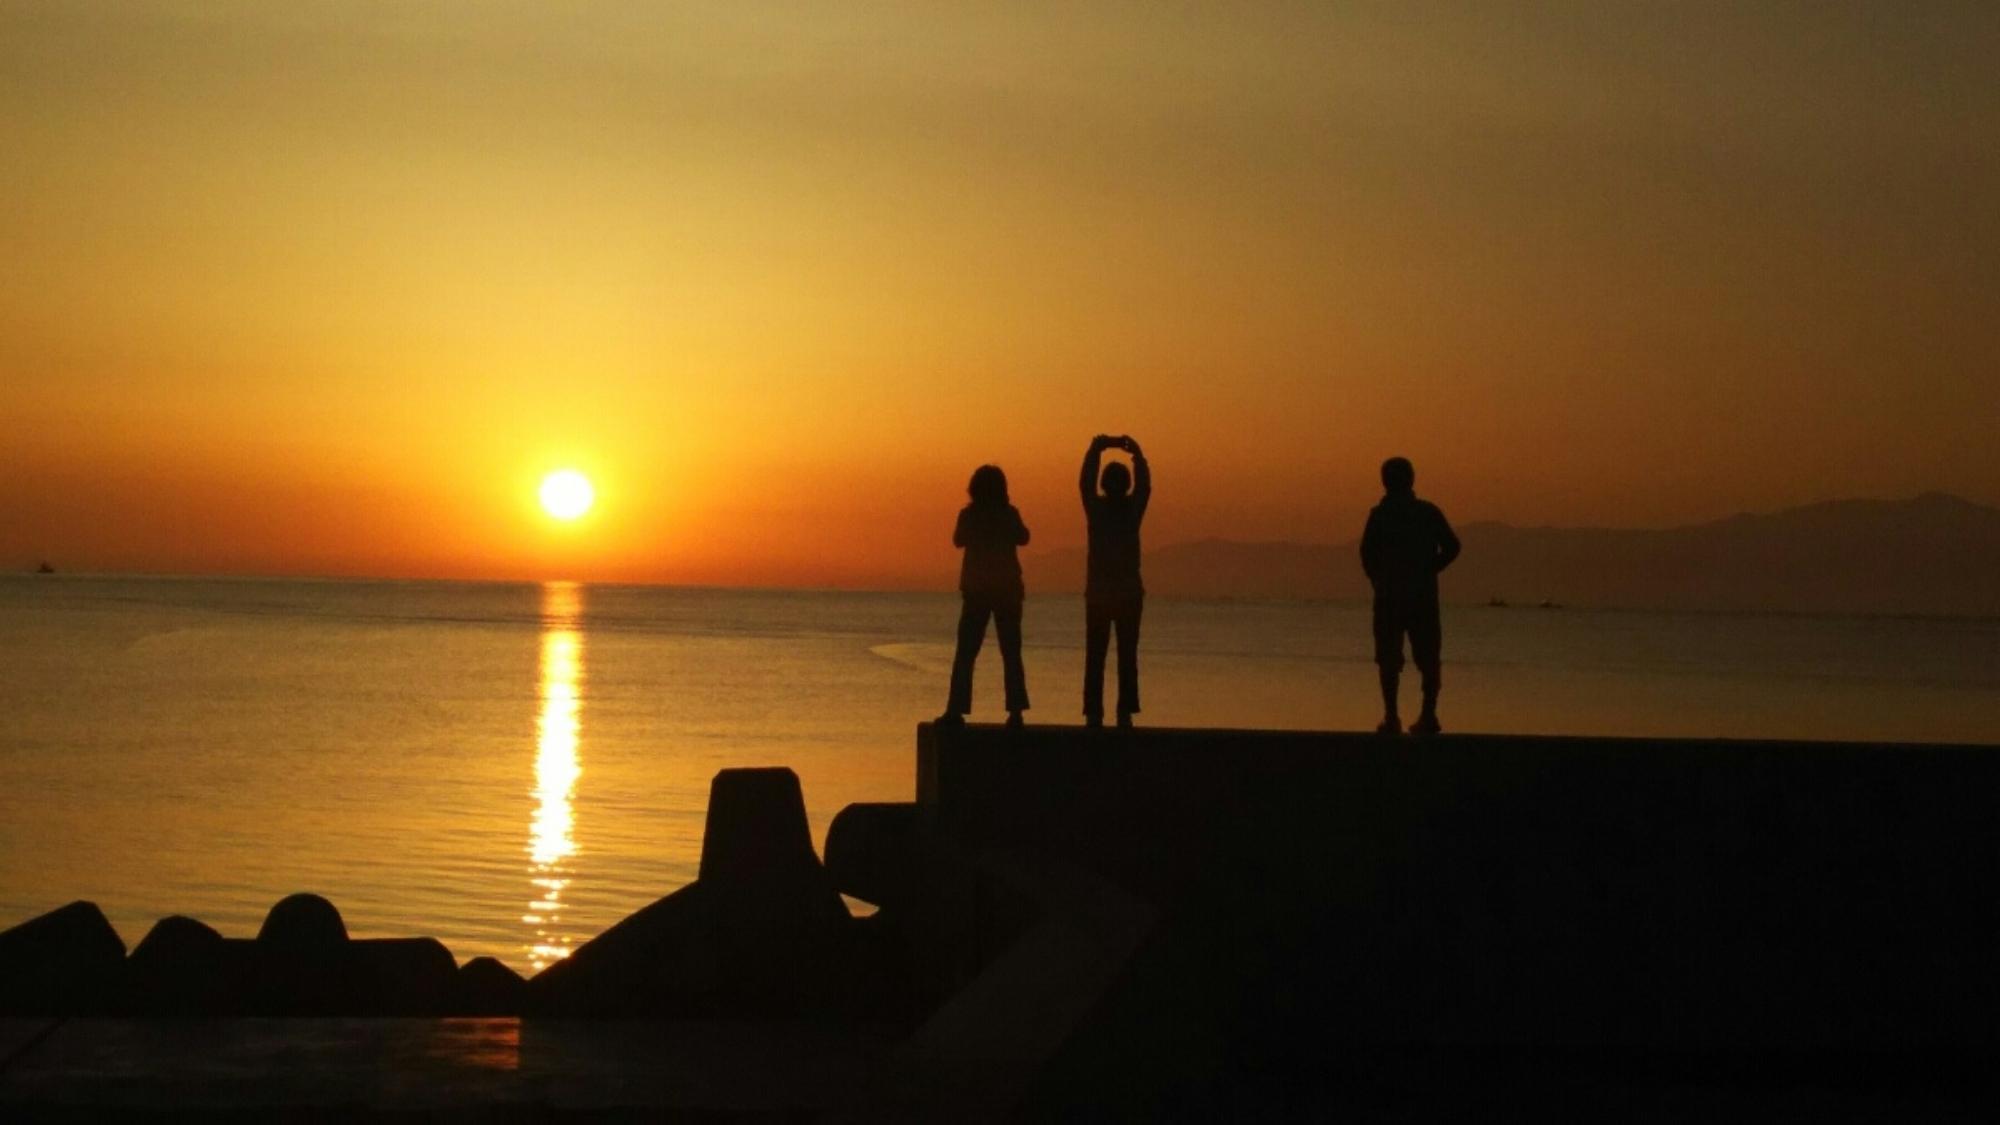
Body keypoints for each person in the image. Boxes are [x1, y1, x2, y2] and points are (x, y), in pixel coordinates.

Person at [1360, 457, 1460, 735]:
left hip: (1391, 596)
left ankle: (1393, 717)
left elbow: (1366, 554)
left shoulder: (1380, 516)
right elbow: (1452, 546)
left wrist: (1378, 579)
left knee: (1390, 658)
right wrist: (1429, 570)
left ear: (1385, 481)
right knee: (1427, 657)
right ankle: (1427, 715)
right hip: (1419, 596)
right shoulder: (1426, 513)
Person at [939, 465, 1032, 727]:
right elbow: (1023, 537)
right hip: (1007, 591)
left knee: (966, 653)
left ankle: (955, 710)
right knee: (1011, 653)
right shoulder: (1008, 514)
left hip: (978, 591)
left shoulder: (968, 515)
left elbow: (958, 540)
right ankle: (1015, 712)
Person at [1080, 434, 1151, 728]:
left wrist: (1097, 447)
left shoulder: (1097, 511)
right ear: (1126, 484)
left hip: (1101, 594)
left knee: (1096, 656)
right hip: (1127, 594)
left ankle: (1094, 714)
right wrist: (1137, 454)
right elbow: (1145, 487)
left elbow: (1084, 483)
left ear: (1105, 484)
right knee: (1126, 656)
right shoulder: (1131, 511)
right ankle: (1124, 712)